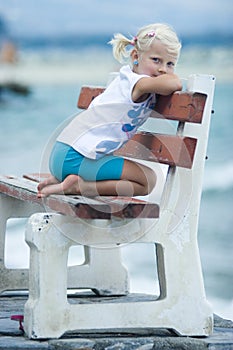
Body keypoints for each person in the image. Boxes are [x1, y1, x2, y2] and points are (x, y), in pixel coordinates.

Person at [38, 23, 182, 198]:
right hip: (75, 159)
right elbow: (174, 84)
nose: (163, 69)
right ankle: (79, 187)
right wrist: (172, 77)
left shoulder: (124, 79)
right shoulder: (138, 83)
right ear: (136, 56)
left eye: (170, 64)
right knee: (148, 179)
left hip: (62, 155)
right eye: (156, 60)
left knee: (141, 176)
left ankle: (62, 180)